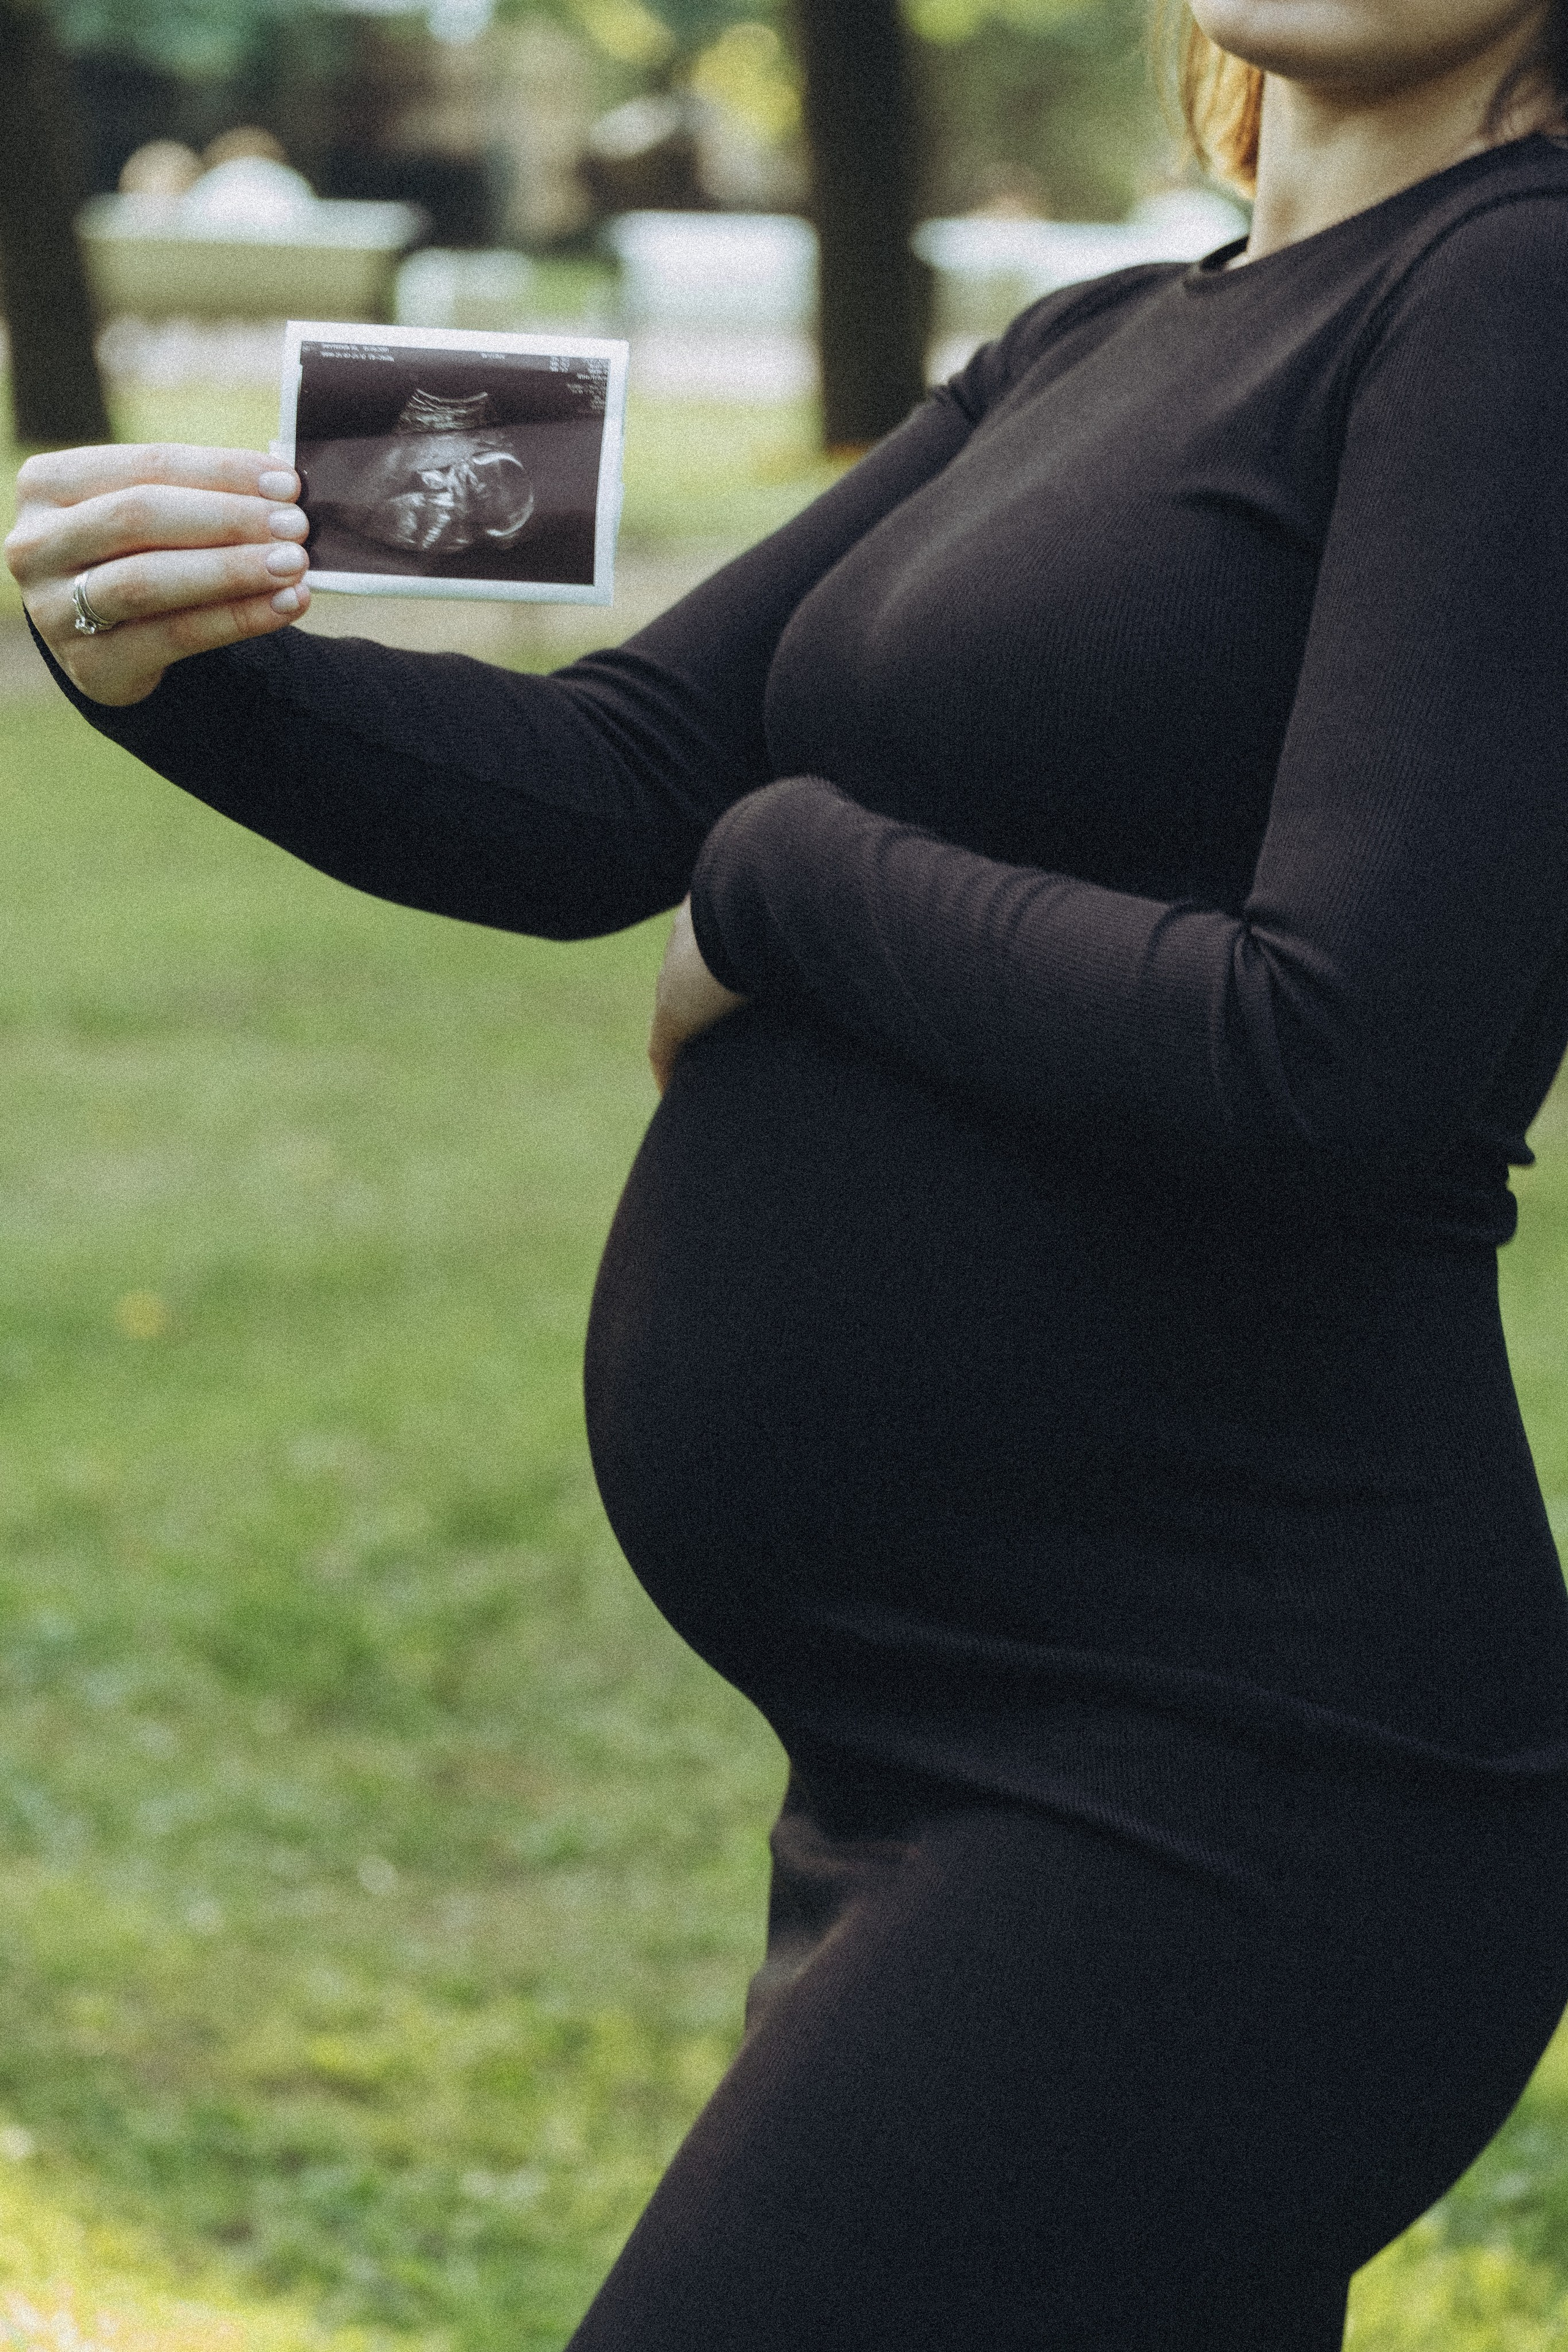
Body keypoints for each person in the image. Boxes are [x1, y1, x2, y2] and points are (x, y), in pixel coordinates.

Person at [11, 0, 1568, 2338]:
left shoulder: (1519, 293)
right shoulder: (1098, 340)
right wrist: (167, 663)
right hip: (939, 1758)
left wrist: (786, 881)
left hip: (1228, 1771)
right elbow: (617, 781)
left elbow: (1329, 1051)